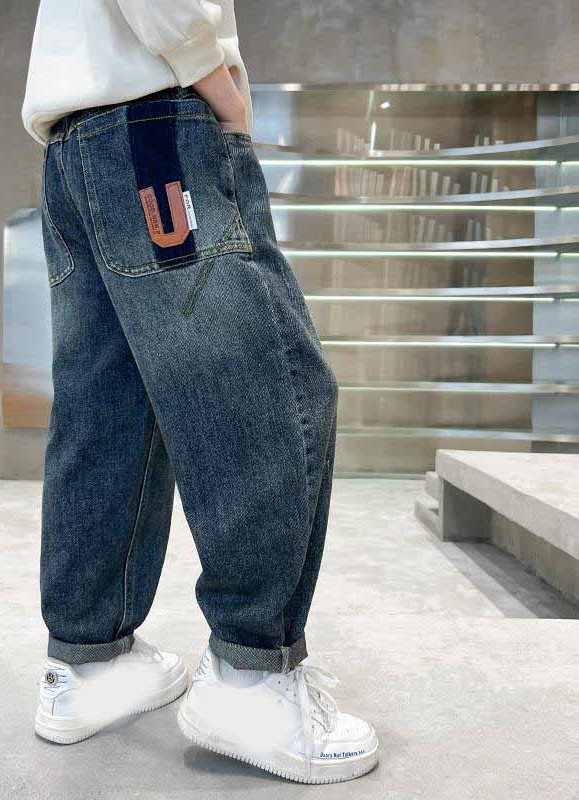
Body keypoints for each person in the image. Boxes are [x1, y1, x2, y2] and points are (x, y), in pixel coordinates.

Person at [22, 0, 378, 784]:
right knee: (268, 386)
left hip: (74, 147)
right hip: (159, 128)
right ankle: (252, 679)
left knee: (110, 407)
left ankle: (89, 664)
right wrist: (220, 86)